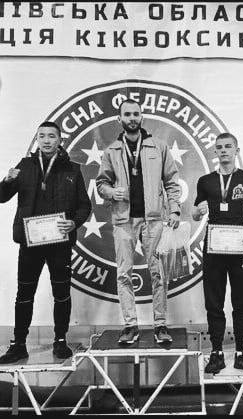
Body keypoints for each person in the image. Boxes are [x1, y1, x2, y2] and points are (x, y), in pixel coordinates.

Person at [0, 121, 91, 363]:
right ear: (37, 140)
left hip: (59, 243)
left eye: (51, 136)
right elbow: (2, 198)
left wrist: (74, 223)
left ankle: (60, 340)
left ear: (60, 140)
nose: (47, 140)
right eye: (42, 136)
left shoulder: (72, 169)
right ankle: (19, 344)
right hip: (30, 243)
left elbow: (84, 206)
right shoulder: (25, 166)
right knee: (24, 294)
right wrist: (7, 180)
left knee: (61, 293)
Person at [96, 99, 181, 344]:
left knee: (159, 274)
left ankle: (160, 324)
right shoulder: (112, 151)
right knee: (124, 274)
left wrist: (174, 210)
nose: (132, 118)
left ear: (141, 117)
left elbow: (172, 181)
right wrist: (111, 192)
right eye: (127, 114)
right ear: (119, 119)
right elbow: (101, 184)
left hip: (153, 220)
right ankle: (130, 325)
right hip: (124, 220)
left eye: (136, 114)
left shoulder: (159, 146)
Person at [192, 133, 243, 375]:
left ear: (237, 150)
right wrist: (198, 212)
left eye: (228, 146)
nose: (224, 150)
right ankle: (216, 353)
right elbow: (195, 213)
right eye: (220, 147)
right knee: (214, 302)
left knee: (241, 301)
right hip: (214, 247)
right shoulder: (205, 181)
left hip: (240, 246)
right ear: (215, 152)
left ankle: (242, 353)